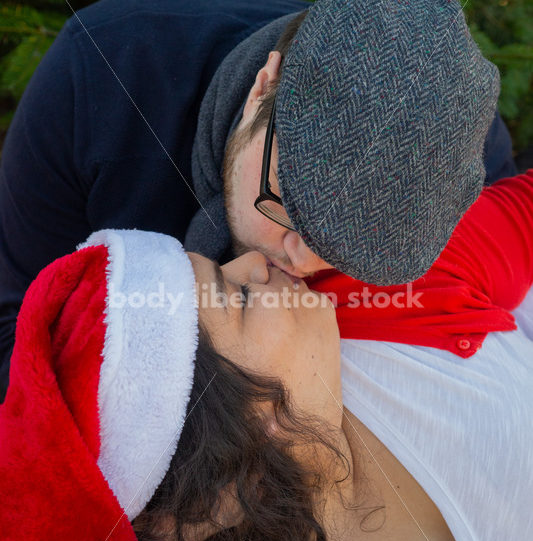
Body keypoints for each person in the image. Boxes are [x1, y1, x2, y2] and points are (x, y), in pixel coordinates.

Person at [0, 168, 532, 541]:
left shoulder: (378, 287)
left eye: (220, 267)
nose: (254, 261)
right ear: (235, 474)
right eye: (241, 298)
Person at [0, 0, 517, 405]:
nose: (301, 261)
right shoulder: (101, 71)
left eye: (348, 246)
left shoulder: (463, 157)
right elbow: (14, 328)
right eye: (287, 206)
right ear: (262, 86)